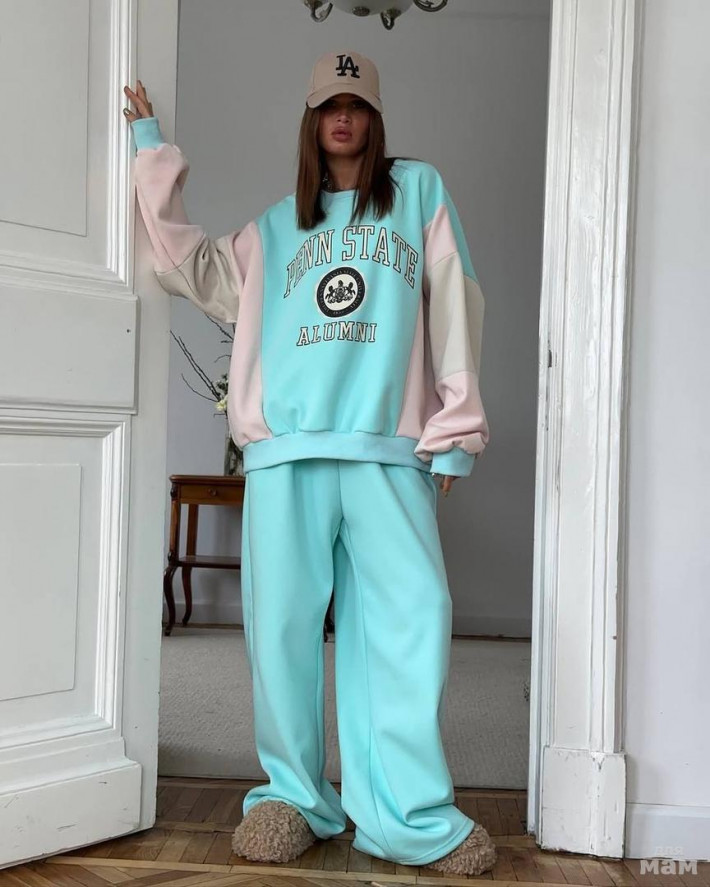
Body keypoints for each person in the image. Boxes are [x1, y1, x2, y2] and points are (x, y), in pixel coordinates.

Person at [124, 49, 494, 877]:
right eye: (329, 104)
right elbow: (186, 266)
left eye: (355, 103)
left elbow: (455, 297)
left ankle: (407, 813)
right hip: (286, 454)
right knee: (282, 629)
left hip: (388, 449)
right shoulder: (273, 228)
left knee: (409, 622)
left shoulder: (418, 193)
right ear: (311, 119)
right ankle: (294, 797)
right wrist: (150, 148)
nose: (343, 116)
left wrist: (457, 427)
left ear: (375, 116)